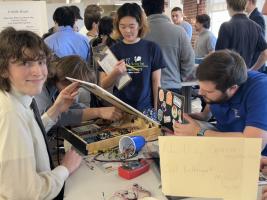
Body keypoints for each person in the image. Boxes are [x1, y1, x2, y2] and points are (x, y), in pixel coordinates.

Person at [0, 27, 82, 199]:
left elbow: (28, 135)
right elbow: (26, 193)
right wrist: (65, 168)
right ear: (3, 69)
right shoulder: (10, 115)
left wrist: (56, 108)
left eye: (41, 62)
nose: (38, 72)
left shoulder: (16, 99)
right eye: (25, 63)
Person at [173, 50, 267, 148]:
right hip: (222, 138)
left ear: (232, 88)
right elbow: (206, 115)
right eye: (200, 87)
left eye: (208, 91)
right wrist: (191, 116)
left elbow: (254, 145)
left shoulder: (261, 90)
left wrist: (199, 132)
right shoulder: (218, 83)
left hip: (254, 155)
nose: (200, 93)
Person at [98, 3, 166, 112]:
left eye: (131, 26)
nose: (127, 31)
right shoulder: (111, 50)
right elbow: (103, 85)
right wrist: (115, 72)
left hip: (146, 109)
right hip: (120, 109)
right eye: (122, 26)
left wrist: (158, 111)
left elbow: (156, 82)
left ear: (139, 24)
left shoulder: (152, 48)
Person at [35, 55, 123, 127]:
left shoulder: (58, 83)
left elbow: (72, 106)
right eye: (76, 86)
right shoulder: (39, 85)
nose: (76, 90)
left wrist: (100, 114)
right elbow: (50, 118)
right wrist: (98, 112)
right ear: (65, 81)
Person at [141, 0, 194, 95]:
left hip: (145, 89)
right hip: (172, 87)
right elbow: (189, 60)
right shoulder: (179, 32)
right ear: (163, 8)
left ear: (144, 9)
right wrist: (179, 78)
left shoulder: (139, 33)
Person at [215, 0, 267, 70]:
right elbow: (265, 53)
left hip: (230, 75)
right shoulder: (256, 27)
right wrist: (252, 70)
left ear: (228, 6)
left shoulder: (226, 26)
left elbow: (219, 56)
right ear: (245, 5)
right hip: (247, 75)